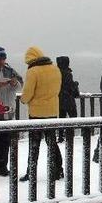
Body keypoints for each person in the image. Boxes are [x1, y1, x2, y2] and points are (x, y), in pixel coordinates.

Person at [19, 46, 63, 182]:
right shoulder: (55, 69)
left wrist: (23, 100)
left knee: (34, 144)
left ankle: (31, 172)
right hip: (52, 111)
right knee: (52, 143)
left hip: (37, 113)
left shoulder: (33, 71)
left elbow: (28, 93)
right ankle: (57, 170)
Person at [0, 47, 22, 174]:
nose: (1, 61)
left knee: (5, 140)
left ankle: (3, 167)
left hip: (9, 109)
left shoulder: (11, 71)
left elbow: (20, 84)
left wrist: (14, 83)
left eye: (3, 58)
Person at [56, 56, 80, 143]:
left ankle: (61, 136)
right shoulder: (67, 73)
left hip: (59, 99)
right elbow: (69, 86)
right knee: (73, 118)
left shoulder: (56, 72)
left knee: (62, 118)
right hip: (68, 100)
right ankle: (69, 136)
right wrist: (76, 84)